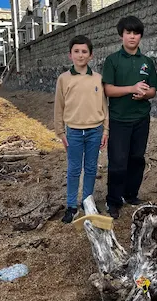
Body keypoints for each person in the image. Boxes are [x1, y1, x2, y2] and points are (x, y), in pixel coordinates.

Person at [102, 16, 157, 219]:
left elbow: (153, 90)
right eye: (128, 32)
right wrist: (131, 89)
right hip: (119, 119)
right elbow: (107, 89)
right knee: (117, 161)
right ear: (121, 35)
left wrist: (145, 94)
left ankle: (131, 195)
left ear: (140, 36)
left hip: (141, 118)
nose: (132, 36)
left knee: (137, 159)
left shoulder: (147, 62)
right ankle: (114, 200)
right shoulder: (112, 61)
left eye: (135, 33)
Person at [54, 35, 109, 224]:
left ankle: (87, 202)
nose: (80, 55)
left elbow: (104, 106)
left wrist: (106, 130)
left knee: (91, 168)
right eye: (76, 51)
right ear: (70, 55)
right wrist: (60, 132)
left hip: (95, 131)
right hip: (74, 132)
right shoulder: (63, 79)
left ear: (91, 55)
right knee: (74, 169)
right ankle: (71, 206)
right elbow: (58, 107)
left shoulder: (98, 78)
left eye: (84, 51)